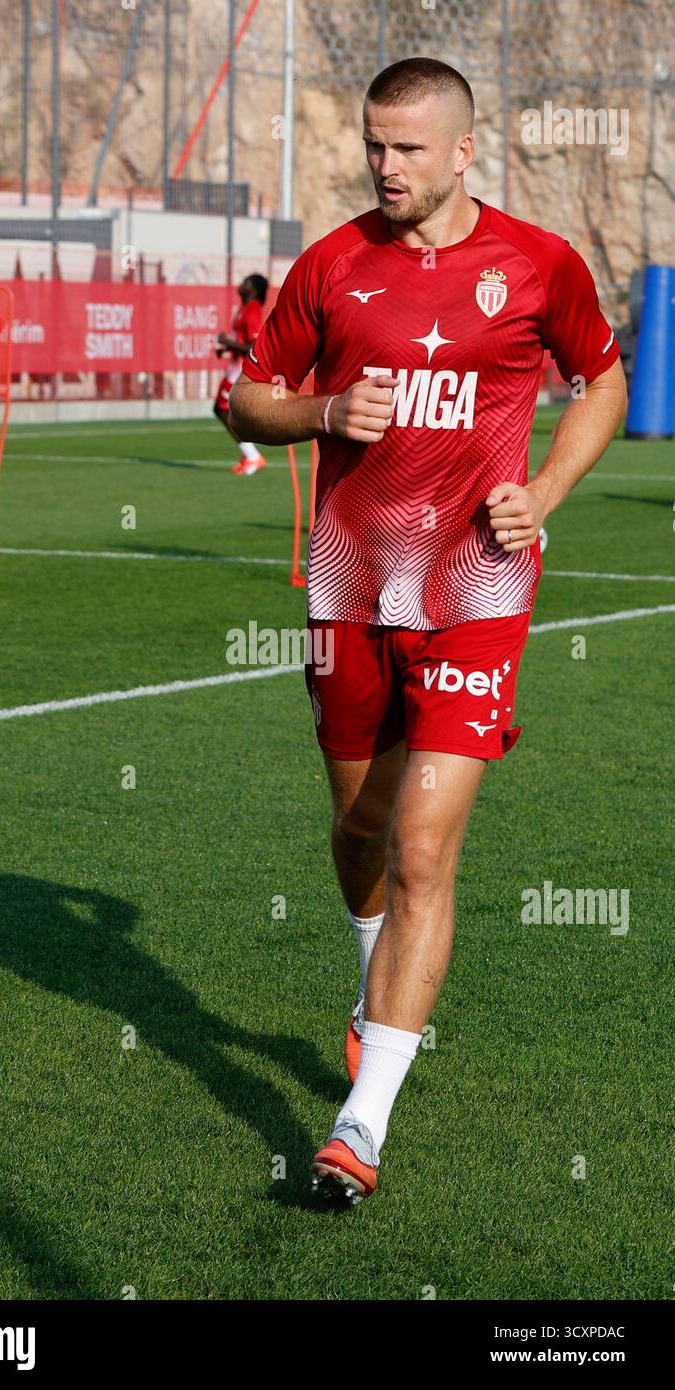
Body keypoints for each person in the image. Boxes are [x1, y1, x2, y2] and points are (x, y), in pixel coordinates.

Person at [229, 57, 627, 1204]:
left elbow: (600, 381)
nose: (384, 166)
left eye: (408, 148)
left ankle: (360, 1123)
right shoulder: (329, 265)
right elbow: (243, 399)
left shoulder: (536, 264)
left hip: (478, 589)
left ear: (462, 151)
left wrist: (542, 493)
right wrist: (314, 413)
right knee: (357, 830)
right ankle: (369, 994)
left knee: (419, 847)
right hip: (346, 586)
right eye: (373, 144)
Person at [214, 274, 269, 475]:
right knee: (221, 409)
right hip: (233, 367)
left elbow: (253, 347)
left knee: (221, 409)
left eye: (245, 283)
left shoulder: (253, 310)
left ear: (253, 289)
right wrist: (226, 349)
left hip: (241, 371)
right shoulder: (243, 308)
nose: (241, 285)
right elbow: (241, 341)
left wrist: (227, 343)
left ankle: (253, 456)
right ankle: (250, 454)